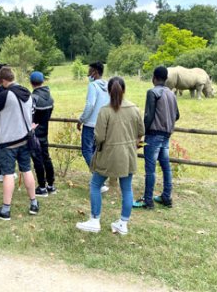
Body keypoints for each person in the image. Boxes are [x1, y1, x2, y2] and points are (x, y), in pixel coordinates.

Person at [76, 77, 144, 235]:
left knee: (95, 185)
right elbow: (140, 133)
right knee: (126, 188)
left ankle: (94, 220)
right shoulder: (134, 108)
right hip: (128, 155)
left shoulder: (105, 111)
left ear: (108, 91)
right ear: (124, 90)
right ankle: (123, 223)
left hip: (108, 154)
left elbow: (99, 137)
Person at [0, 66, 39, 220]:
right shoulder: (27, 92)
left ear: (1, 80)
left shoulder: (5, 95)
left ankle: (6, 210)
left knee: (8, 174)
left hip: (9, 141)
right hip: (25, 139)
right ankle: (33, 203)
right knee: (26, 170)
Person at [133, 66, 180, 209]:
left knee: (150, 169)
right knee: (166, 167)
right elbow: (177, 115)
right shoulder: (172, 94)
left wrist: (140, 134)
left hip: (153, 135)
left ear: (154, 77)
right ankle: (166, 197)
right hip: (167, 135)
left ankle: (148, 200)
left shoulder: (153, 92)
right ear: (165, 78)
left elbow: (148, 116)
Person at [77, 61, 110, 193]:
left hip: (91, 124)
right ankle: (101, 179)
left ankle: (98, 179)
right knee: (98, 152)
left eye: (89, 71)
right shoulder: (108, 85)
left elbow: (90, 105)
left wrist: (81, 119)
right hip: (103, 123)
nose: (88, 74)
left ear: (95, 72)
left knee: (86, 150)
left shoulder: (93, 86)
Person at [29, 71, 56, 197]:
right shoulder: (50, 98)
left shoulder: (33, 98)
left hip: (35, 133)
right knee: (46, 157)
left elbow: (30, 116)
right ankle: (51, 185)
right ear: (43, 81)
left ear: (31, 83)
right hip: (44, 131)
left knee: (37, 160)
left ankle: (42, 187)